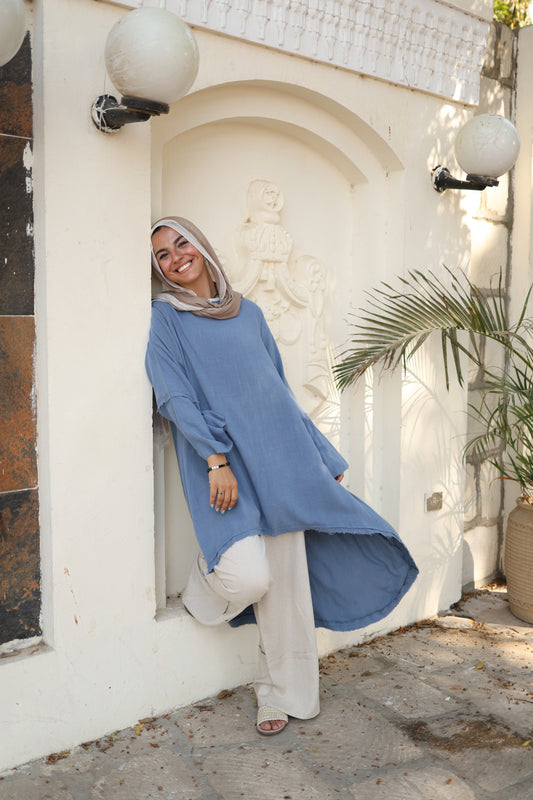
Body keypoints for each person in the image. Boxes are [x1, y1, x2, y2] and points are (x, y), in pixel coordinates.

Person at [145, 216, 418, 736]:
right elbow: (173, 396)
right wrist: (216, 460)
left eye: (182, 243)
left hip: (279, 459)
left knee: (287, 584)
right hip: (221, 466)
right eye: (163, 254)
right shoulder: (167, 318)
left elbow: (279, 392)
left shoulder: (248, 312)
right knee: (249, 576)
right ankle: (203, 587)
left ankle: (281, 692)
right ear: (159, 269)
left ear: (202, 246)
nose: (176, 256)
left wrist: (321, 457)